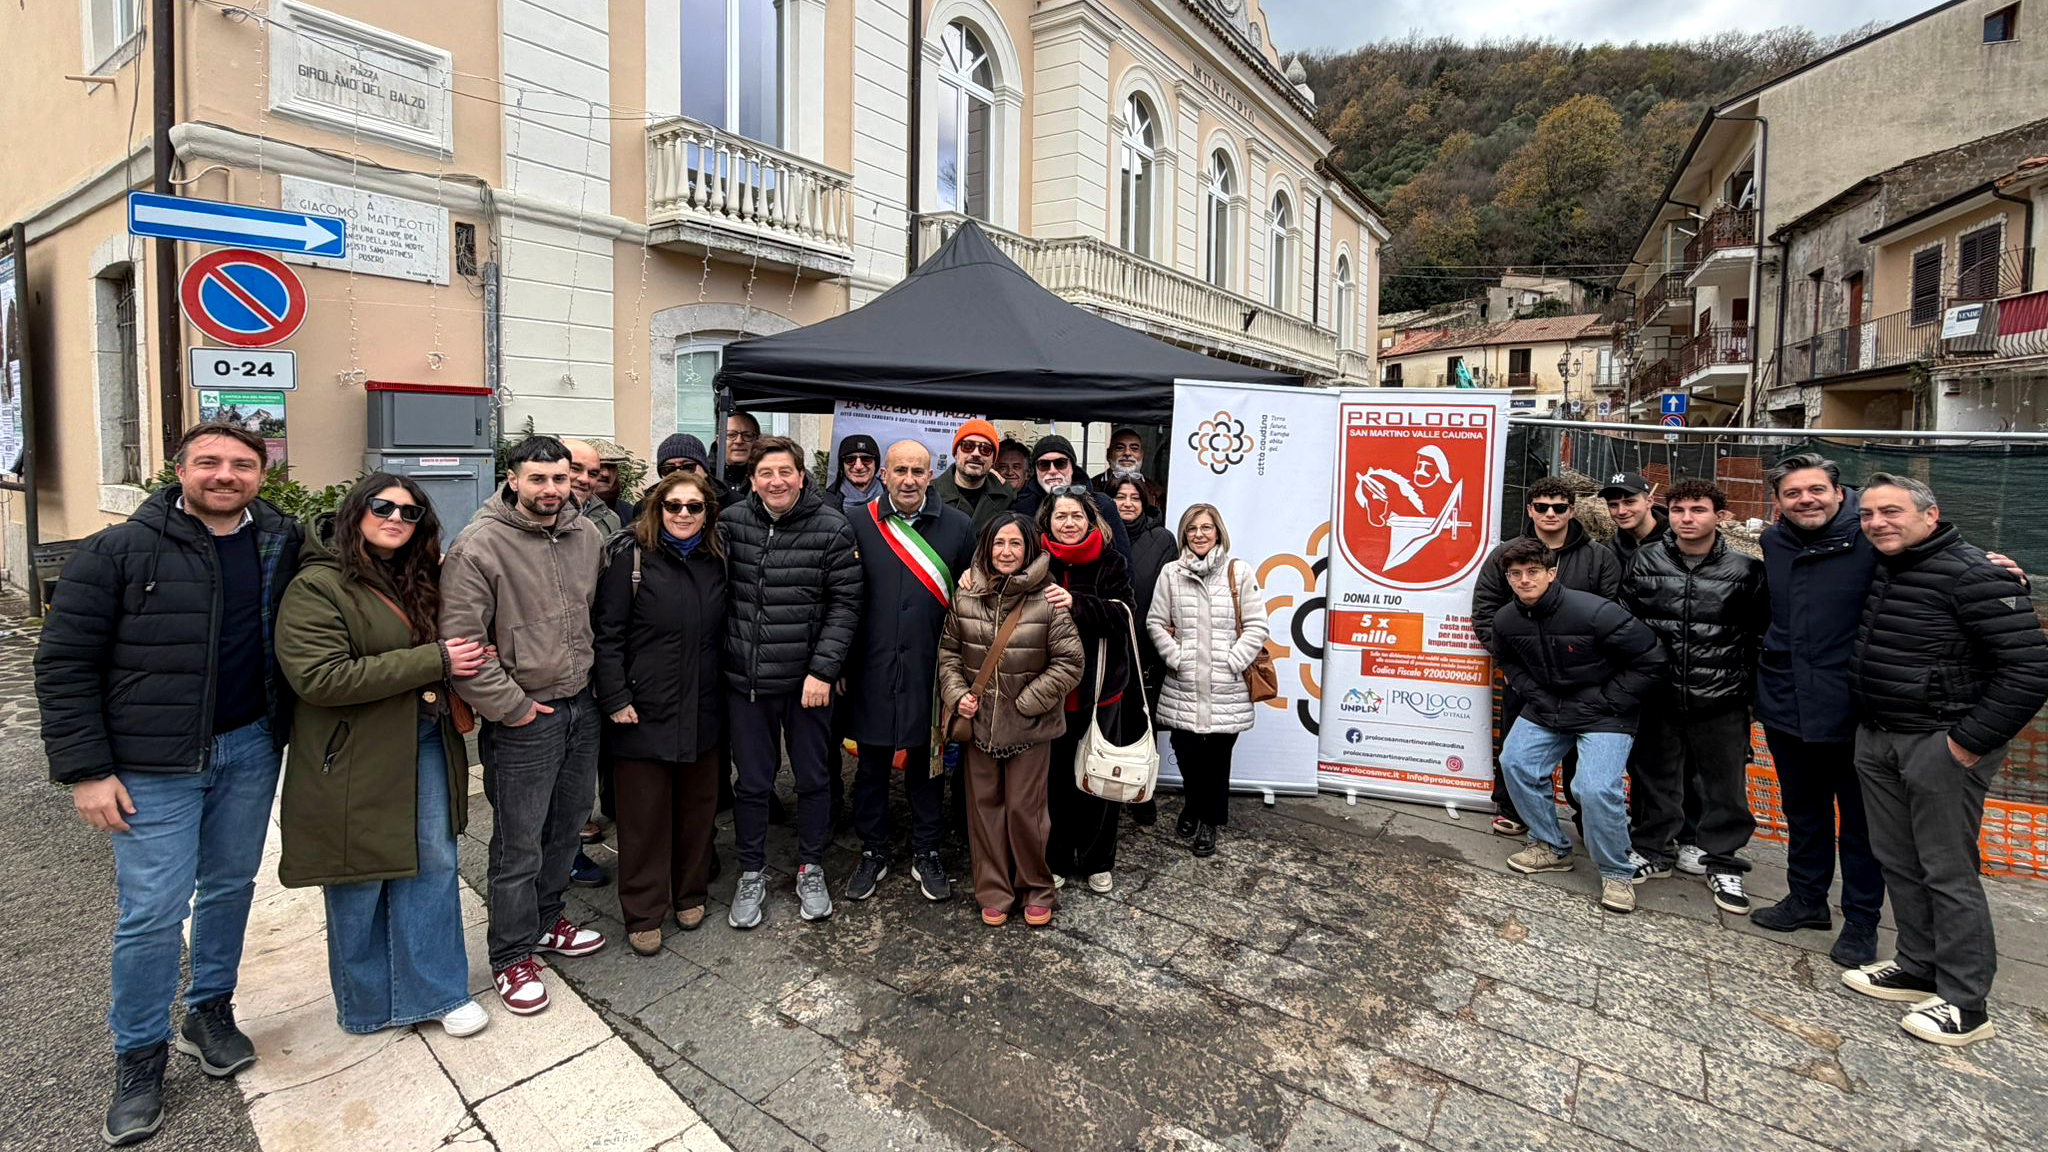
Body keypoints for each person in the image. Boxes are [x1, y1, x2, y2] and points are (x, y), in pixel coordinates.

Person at [36, 422, 305, 1146]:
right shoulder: (119, 550)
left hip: (249, 746)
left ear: (262, 473)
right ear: (179, 469)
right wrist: (87, 771)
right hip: (150, 764)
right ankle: (139, 1057)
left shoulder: (280, 541)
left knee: (230, 885)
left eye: (243, 464)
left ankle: (209, 1010)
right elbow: (64, 666)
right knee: (153, 911)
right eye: (210, 463)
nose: (227, 475)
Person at [274, 475, 490, 1037]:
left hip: (422, 738)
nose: (395, 517)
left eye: (410, 512)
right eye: (382, 506)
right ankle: (367, 1004)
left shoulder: (417, 577)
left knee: (435, 864)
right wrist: (433, 661)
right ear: (356, 510)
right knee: (359, 875)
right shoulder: (317, 585)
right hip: (354, 754)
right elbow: (319, 678)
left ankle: (439, 992)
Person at [1840, 473, 2048, 1047]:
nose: (1877, 522)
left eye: (1892, 512)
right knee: (1898, 859)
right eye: (1869, 514)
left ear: (1930, 516)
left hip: (1939, 743)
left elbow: (2029, 671)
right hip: (1880, 735)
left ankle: (1965, 1001)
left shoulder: (1976, 573)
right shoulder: (1890, 565)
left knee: (1947, 869)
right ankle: (1917, 964)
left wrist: (1964, 745)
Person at [439, 435, 609, 1016]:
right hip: (524, 716)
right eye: (537, 479)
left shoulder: (586, 535)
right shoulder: (478, 547)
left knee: (566, 828)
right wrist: (510, 707)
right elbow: (463, 642)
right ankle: (511, 954)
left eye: (560, 479)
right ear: (512, 478)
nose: (551, 490)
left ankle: (546, 921)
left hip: (579, 707)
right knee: (518, 843)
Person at [719, 435, 863, 928]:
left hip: (808, 684)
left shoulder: (832, 527)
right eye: (765, 474)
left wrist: (824, 669)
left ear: (802, 476)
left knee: (814, 780)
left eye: (785, 472)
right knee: (753, 784)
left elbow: (846, 605)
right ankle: (752, 871)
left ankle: (811, 866)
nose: (776, 481)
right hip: (748, 683)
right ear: (753, 480)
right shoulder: (731, 523)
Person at [1489, 538, 1667, 915]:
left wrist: (1609, 701)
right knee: (1515, 763)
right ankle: (1551, 846)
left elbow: (1651, 658)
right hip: (1548, 705)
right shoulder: (1505, 619)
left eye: (1533, 572)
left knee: (1595, 787)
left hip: (1606, 710)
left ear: (1552, 574)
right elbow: (1508, 662)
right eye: (1515, 574)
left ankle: (1617, 871)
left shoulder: (1595, 612)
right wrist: (1536, 695)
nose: (1524, 580)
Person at [592, 470, 729, 956]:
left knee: (697, 812)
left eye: (695, 507)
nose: (685, 515)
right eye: (675, 506)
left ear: (708, 512)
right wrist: (615, 698)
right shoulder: (630, 558)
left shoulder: (718, 559)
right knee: (643, 817)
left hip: (704, 706)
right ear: (658, 509)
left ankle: (690, 893)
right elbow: (607, 635)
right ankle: (645, 911)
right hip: (642, 708)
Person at [1619, 479, 1767, 912]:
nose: (1687, 518)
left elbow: (1759, 637)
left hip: (1721, 698)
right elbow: (1628, 626)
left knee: (1724, 788)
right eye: (1679, 509)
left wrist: (1751, 698)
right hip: (1659, 696)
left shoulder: (1745, 570)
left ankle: (1722, 863)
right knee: (1655, 779)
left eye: (1698, 510)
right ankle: (1652, 851)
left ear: (1719, 516)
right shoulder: (1645, 561)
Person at [842, 441, 977, 902]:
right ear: (883, 473)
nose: (909, 480)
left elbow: (971, 603)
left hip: (931, 669)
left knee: (927, 766)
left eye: (918, 471)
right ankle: (873, 851)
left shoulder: (959, 527)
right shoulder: (857, 523)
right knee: (872, 768)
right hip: (872, 667)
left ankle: (927, 850)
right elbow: (843, 598)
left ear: (931, 473)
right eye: (900, 470)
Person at [938, 514, 1085, 926]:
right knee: (983, 810)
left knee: (1026, 811)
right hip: (979, 725)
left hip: (1030, 727)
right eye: (998, 543)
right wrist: (956, 695)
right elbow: (948, 653)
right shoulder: (965, 596)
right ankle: (994, 890)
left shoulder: (1047, 599)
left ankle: (1036, 888)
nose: (1006, 552)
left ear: (1029, 550)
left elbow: (1071, 661)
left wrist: (1028, 701)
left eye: (1015, 544)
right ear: (986, 548)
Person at [1471, 478, 1622, 836]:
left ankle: (1585, 820)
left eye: (1559, 507)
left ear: (1572, 510)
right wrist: (1509, 662)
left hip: (1584, 677)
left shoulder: (1599, 558)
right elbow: (1485, 611)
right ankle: (1514, 809)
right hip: (1526, 674)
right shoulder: (1506, 555)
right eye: (1542, 506)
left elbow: (1614, 614)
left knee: (1579, 753)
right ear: (1530, 510)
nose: (1550, 513)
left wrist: (1597, 666)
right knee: (1517, 747)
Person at [1148, 505, 1269, 857]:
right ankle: (1192, 804)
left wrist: (1233, 661)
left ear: (1218, 531)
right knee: (1186, 754)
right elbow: (1156, 621)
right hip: (1183, 683)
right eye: (1192, 529)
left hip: (1225, 686)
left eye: (1206, 527)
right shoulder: (1171, 573)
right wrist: (1176, 657)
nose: (1199, 534)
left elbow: (1257, 625)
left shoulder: (1238, 572)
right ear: (1184, 534)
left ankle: (1208, 822)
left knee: (1216, 760)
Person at [1038, 487, 1136, 892]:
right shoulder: (1034, 562)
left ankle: (1098, 858)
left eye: (1077, 516)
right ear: (1048, 521)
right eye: (1061, 516)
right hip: (1049, 692)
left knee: (1099, 777)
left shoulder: (1112, 562)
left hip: (1100, 689)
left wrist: (1076, 602)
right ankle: (1057, 857)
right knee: (1054, 780)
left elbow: (1124, 614)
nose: (1069, 524)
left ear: (1091, 520)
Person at [1113, 475, 1176, 828]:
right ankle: (1105, 784)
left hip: (1146, 648)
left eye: (1134, 497)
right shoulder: (1100, 536)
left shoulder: (1162, 539)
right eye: (1119, 497)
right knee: (1106, 724)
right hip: (1108, 646)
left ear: (1145, 502)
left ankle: (1141, 794)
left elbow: (1172, 589)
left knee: (1142, 722)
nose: (1127, 503)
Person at [1010, 435, 1133, 564]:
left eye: (1060, 463)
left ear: (1072, 468)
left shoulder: (1102, 504)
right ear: (1035, 470)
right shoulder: (1021, 509)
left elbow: (1124, 562)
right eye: (1044, 465)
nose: (1052, 471)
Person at [932, 418, 1015, 533]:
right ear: (956, 453)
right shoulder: (930, 494)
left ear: (993, 460)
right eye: (968, 446)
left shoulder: (1006, 495)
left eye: (985, 449)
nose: (976, 454)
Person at [1600, 472, 1668, 564]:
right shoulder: (1609, 551)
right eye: (1613, 505)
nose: (1621, 511)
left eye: (1629, 502)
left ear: (1649, 501)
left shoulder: (1678, 543)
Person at [1091, 426, 1163, 507]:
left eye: (1134, 448)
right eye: (1120, 448)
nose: (1127, 453)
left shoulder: (1157, 493)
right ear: (1108, 454)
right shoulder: (1089, 489)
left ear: (1142, 455)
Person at [564, 438, 623, 537]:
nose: (605, 473)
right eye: (575, 469)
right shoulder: (539, 513)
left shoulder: (613, 519)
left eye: (593, 473)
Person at [824, 433, 883, 512]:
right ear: (842, 465)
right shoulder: (826, 503)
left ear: (876, 464)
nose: (858, 466)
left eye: (866, 459)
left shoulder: (893, 497)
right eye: (850, 460)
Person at [722, 411, 761, 505]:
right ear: (719, 440)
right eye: (731, 435)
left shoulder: (767, 477)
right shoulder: (705, 476)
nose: (739, 441)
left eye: (747, 435)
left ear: (757, 440)